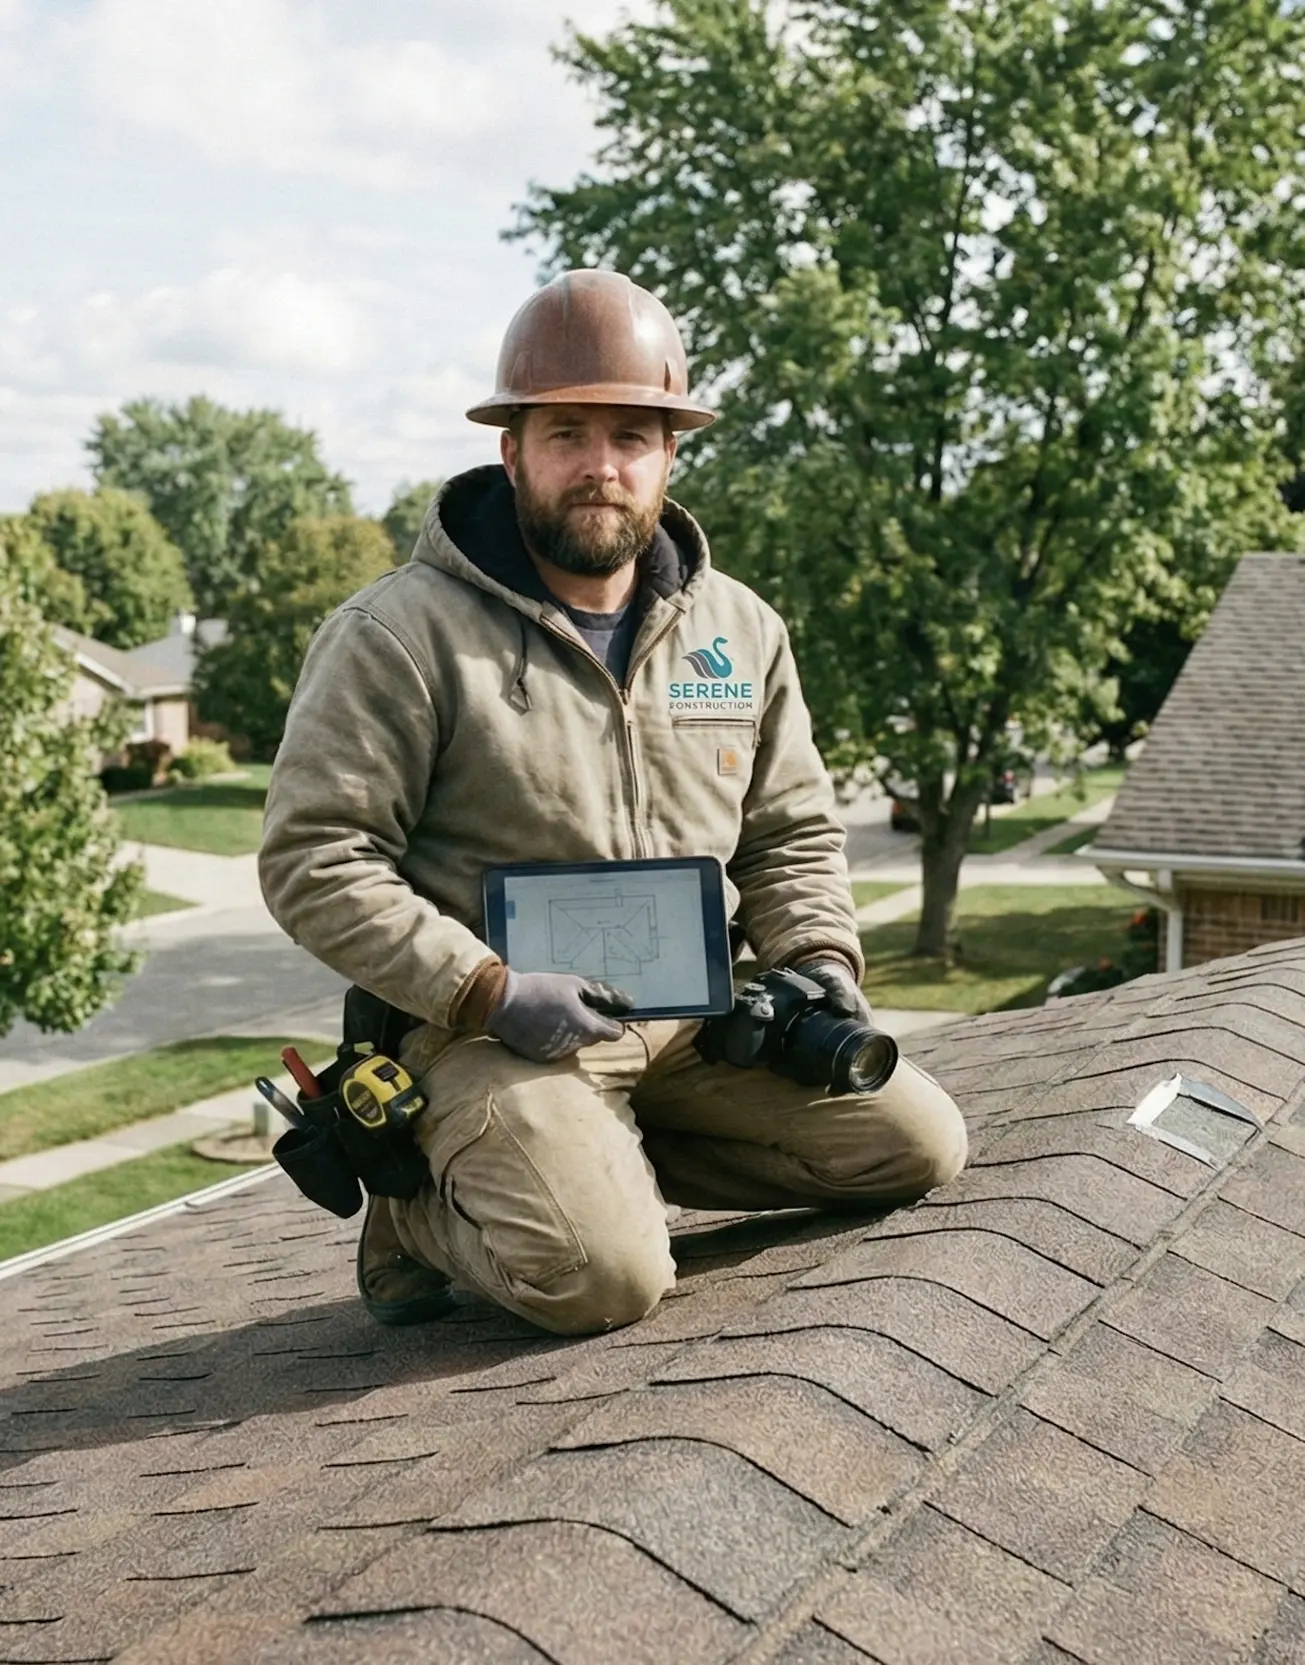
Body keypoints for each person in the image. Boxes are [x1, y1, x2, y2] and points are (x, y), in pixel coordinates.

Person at [259, 269, 967, 1336]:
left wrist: (820, 961)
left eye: (632, 435)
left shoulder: (740, 629)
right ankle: (419, 1219)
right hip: (488, 1036)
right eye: (568, 434)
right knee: (606, 1282)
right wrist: (488, 989)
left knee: (915, 1146)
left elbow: (791, 832)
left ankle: (594, 1170)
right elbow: (315, 859)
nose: (602, 466)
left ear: (669, 455)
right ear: (511, 450)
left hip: (702, 1021)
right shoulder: (398, 636)